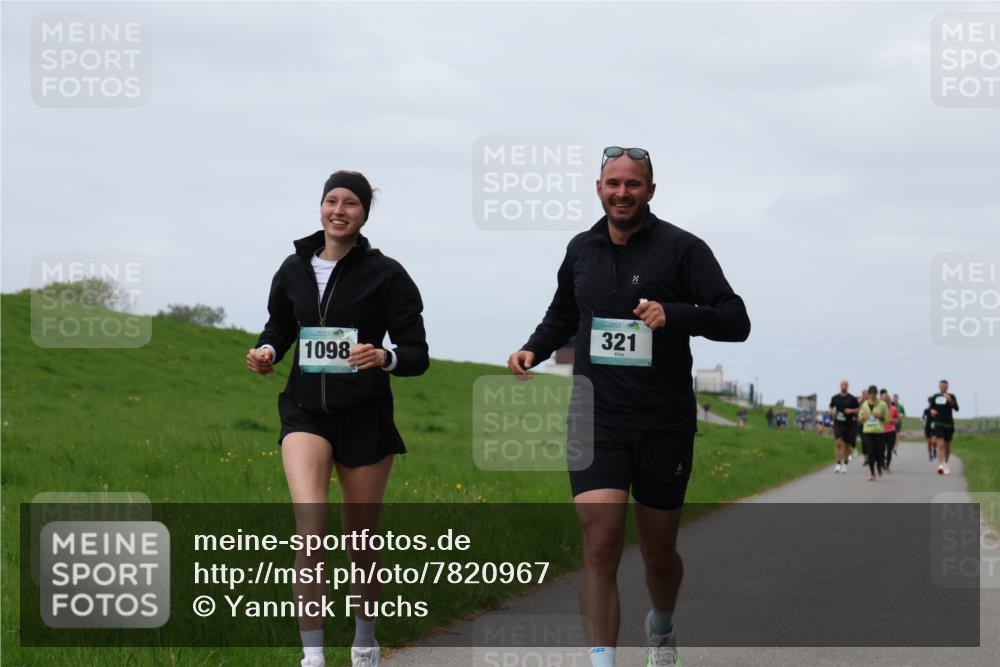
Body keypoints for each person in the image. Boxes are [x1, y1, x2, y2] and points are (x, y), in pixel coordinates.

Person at [507, 146, 750, 667]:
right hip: (596, 417)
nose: (622, 193)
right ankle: (602, 660)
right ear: (598, 189)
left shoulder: (684, 249)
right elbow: (562, 313)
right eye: (613, 183)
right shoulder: (581, 250)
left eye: (632, 184)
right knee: (601, 541)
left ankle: (660, 626)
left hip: (663, 421)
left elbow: (736, 320)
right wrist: (534, 348)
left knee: (659, 549)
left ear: (651, 191)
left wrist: (675, 313)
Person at [247, 170, 429, 667]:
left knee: (361, 541)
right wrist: (266, 351)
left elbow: (417, 353)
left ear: (364, 214)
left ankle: (365, 645)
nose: (340, 210)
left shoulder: (387, 274)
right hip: (305, 412)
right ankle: (313, 658)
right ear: (321, 208)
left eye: (351, 203)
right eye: (332, 200)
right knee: (311, 529)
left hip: (366, 417)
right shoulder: (292, 268)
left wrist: (385, 357)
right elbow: (279, 327)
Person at [858, 385, 890, 481]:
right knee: (870, 452)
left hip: (879, 432)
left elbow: (887, 419)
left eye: (874, 393)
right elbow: (860, 417)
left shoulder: (883, 404)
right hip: (867, 431)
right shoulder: (864, 405)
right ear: (868, 394)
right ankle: (872, 473)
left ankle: (879, 466)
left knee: (879, 453)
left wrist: (880, 416)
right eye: (871, 393)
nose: (872, 395)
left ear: (877, 394)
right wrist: (864, 418)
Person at [929, 379, 959, 475]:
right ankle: (940, 465)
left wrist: (950, 400)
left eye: (945, 387)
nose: (943, 388)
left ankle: (946, 463)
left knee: (947, 446)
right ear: (939, 387)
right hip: (938, 424)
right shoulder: (935, 396)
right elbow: (931, 407)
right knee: (940, 445)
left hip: (949, 424)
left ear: (947, 387)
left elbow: (956, 408)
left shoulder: (952, 396)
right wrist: (932, 411)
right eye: (941, 386)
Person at [829, 380, 859, 474]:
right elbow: (831, 406)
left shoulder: (852, 398)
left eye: (845, 385)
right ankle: (838, 463)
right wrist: (832, 411)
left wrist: (851, 410)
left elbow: (858, 409)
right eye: (842, 385)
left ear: (848, 386)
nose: (844, 386)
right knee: (838, 442)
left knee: (847, 446)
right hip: (838, 424)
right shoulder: (835, 398)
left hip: (849, 425)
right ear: (840, 386)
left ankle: (845, 464)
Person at [880, 389, 899, 472]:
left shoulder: (894, 409)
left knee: (889, 449)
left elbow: (897, 420)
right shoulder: (879, 408)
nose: (885, 402)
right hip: (881, 431)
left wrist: (893, 420)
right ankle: (883, 462)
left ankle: (887, 465)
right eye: (883, 400)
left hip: (891, 431)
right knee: (881, 448)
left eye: (886, 400)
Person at [922, 396, 936, 461]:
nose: (931, 403)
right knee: (929, 442)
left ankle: (935, 449)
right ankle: (930, 455)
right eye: (930, 402)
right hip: (927, 426)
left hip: (934, 426)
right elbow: (923, 417)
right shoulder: (926, 410)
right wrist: (923, 419)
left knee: (933, 441)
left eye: (932, 402)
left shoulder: (936, 410)